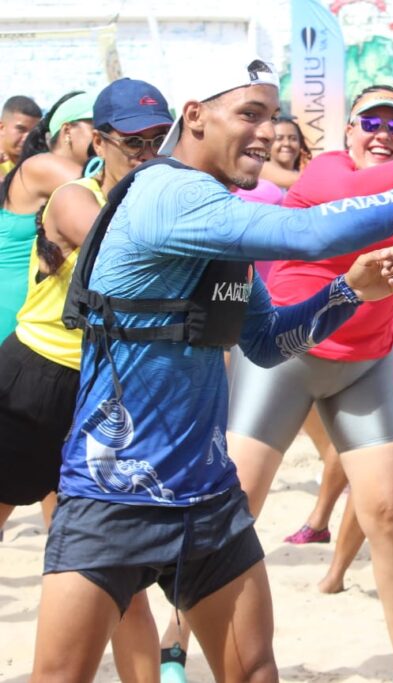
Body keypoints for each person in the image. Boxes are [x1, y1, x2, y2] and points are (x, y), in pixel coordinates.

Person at [30, 58, 393, 683]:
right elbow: (306, 233)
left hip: (208, 499)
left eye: (270, 116)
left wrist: (349, 294)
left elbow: (269, 343)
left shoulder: (219, 220)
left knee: (254, 671)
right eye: (248, 114)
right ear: (195, 116)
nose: (264, 132)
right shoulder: (170, 194)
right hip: (114, 495)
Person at [225, 84, 393, 683]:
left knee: (390, 512)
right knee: (238, 505)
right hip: (285, 356)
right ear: (347, 132)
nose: (381, 133)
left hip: (368, 362)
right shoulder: (327, 172)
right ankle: (175, 640)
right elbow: (350, 204)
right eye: (371, 120)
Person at [0, 77, 172, 683]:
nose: (148, 151)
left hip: (103, 395)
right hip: (35, 377)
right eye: (133, 140)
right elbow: (123, 255)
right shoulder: (72, 194)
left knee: (113, 564)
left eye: (160, 138)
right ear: (98, 140)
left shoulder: (160, 196)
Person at [0, 90, 93, 342]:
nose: (105, 138)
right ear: (67, 131)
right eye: (97, 128)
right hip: (13, 304)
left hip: (43, 306)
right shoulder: (41, 165)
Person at [0, 95, 42, 177]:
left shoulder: (37, 162)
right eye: (21, 129)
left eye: (33, 132)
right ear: (2, 127)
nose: (27, 137)